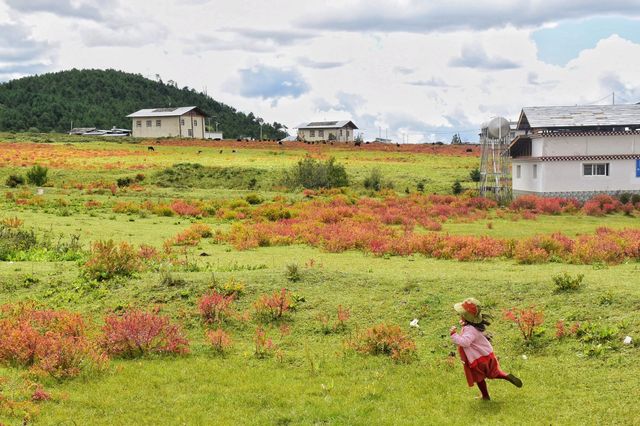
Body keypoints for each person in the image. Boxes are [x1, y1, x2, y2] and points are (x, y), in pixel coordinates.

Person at [450, 298, 522, 400]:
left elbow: (465, 342)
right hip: (488, 356)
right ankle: (506, 376)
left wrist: (454, 335)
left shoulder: (470, 330)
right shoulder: (475, 327)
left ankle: (485, 396)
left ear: (465, 316)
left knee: (479, 378)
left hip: (478, 360)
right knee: (494, 372)